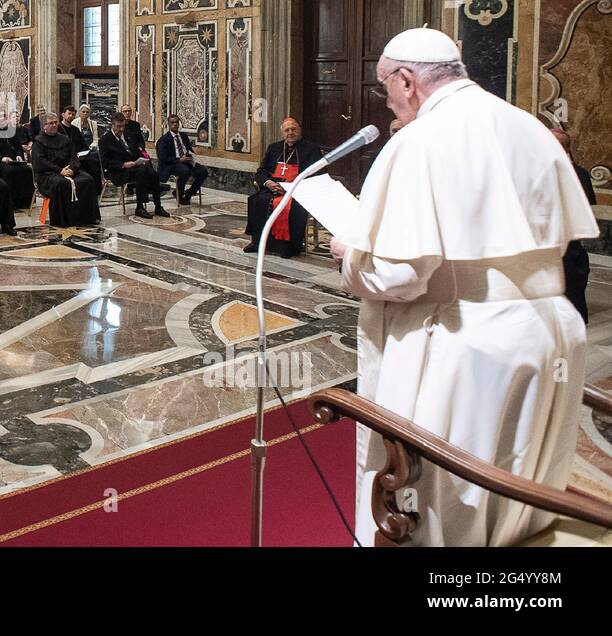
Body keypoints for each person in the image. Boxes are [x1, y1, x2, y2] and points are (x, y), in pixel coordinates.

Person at [330, 27, 598, 547]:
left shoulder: (421, 140)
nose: (387, 97)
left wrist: (349, 254)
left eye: (385, 85)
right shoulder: (526, 126)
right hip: (550, 330)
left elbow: (399, 276)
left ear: (407, 80)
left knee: (445, 501)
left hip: (465, 340)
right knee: (520, 487)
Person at [243, 117, 322, 257]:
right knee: (256, 200)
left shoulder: (312, 149)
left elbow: (316, 175)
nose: (290, 133)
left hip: (297, 192)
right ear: (282, 133)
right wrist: (268, 183)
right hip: (273, 188)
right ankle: (258, 242)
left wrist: (290, 187)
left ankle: (287, 247)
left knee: (290, 207)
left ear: (300, 131)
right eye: (287, 130)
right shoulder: (274, 148)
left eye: (294, 129)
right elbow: (261, 171)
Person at [552, 128, 597, 323]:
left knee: (571, 293)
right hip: (564, 244)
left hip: (565, 244)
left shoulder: (576, 174)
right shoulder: (579, 173)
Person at [31, 113, 100, 226]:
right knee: (61, 183)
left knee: (88, 179)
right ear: (44, 125)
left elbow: (74, 156)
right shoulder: (38, 142)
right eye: (51, 123)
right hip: (48, 174)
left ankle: (88, 217)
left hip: (68, 170)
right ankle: (64, 220)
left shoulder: (64, 139)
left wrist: (72, 169)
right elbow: (41, 163)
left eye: (55, 122)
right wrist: (60, 170)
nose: (54, 125)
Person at [100, 112, 170, 219]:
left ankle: (158, 206)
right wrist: (123, 165)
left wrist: (141, 160)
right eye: (119, 126)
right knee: (142, 173)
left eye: (123, 126)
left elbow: (135, 152)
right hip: (117, 171)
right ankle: (140, 207)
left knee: (152, 172)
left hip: (133, 167)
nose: (121, 129)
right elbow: (105, 162)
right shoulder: (105, 140)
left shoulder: (128, 136)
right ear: (112, 125)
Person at [0, 108, 35, 211]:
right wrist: (2, 158)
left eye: (4, 116)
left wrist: (18, 155)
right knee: (10, 171)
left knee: (27, 170)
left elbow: (17, 147)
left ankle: (25, 202)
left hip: (13, 160)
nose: (2, 119)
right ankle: (11, 202)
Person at [156, 114, 208, 205]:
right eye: (172, 122)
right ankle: (179, 194)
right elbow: (163, 158)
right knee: (185, 171)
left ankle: (189, 194)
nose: (175, 124)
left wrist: (192, 153)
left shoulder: (183, 136)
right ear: (169, 124)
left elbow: (188, 149)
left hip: (187, 161)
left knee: (203, 171)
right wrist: (179, 159)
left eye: (176, 122)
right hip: (172, 163)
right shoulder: (163, 140)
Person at [60, 106, 102, 186]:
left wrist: (82, 153)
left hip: (78, 155)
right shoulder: (58, 128)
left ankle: (95, 190)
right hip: (65, 157)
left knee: (94, 161)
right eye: (69, 114)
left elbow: (84, 145)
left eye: (73, 114)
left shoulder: (75, 129)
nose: (71, 116)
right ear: (63, 114)